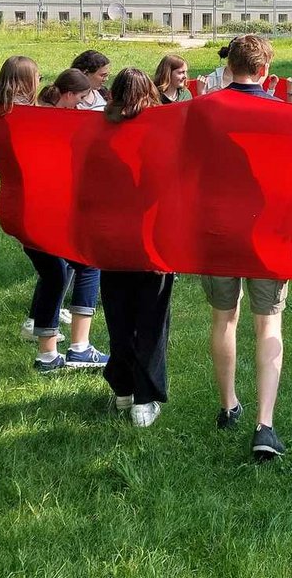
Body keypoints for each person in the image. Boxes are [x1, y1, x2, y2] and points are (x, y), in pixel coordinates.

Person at [200, 34, 292, 461]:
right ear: (264, 72)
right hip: (266, 231)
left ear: (229, 66)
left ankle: (227, 404)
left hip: (218, 229)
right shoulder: (280, 113)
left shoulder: (204, 110)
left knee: (224, 318)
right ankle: (264, 424)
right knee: (268, 323)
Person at [0, 56, 111, 373]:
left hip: (14, 205)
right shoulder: (27, 118)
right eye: (37, 76)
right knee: (87, 262)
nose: (42, 81)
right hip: (36, 208)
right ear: (25, 80)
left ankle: (47, 355)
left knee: (55, 273)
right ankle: (80, 348)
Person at [97, 68, 176, 427]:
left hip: (111, 242)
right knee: (151, 321)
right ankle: (142, 399)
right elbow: (170, 191)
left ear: (113, 94)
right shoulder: (161, 134)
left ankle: (123, 389)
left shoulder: (97, 133)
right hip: (151, 241)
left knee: (119, 317)